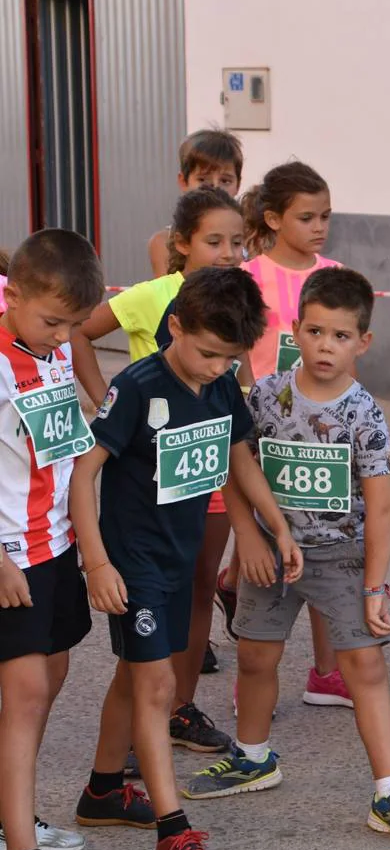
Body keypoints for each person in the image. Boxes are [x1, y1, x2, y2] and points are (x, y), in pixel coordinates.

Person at [183, 268, 390, 847]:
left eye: (342, 336)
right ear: (294, 329)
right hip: (268, 556)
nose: (327, 346)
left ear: (363, 343)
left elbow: (380, 509)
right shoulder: (266, 395)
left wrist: (375, 586)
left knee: (365, 669)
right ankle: (253, 758)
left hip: (340, 557)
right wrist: (247, 538)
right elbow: (236, 463)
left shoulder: (365, 414)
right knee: (254, 658)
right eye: (317, 332)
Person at [71, 267, 300, 850]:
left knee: (135, 674)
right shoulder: (138, 386)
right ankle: (173, 832)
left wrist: (275, 524)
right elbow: (84, 472)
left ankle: (101, 791)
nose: (217, 367)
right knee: (156, 683)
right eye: (206, 353)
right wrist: (96, 562)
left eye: (229, 358)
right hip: (135, 559)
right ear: (175, 326)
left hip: (179, 552)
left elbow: (238, 456)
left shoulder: (220, 383)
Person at [70, 188, 247, 759]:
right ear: (182, 244)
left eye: (236, 242)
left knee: (196, 589)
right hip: (145, 493)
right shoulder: (152, 300)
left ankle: (179, 709)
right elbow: (82, 335)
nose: (227, 252)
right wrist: (109, 408)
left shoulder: (234, 312)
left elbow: (239, 442)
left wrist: (262, 523)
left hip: (203, 478)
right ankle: (143, 758)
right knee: (145, 661)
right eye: (214, 240)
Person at [215, 161, 349, 709]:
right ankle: (254, 672)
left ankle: (325, 673)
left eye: (326, 216)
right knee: (265, 549)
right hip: (264, 429)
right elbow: (242, 349)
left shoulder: (334, 271)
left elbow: (344, 351)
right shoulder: (252, 277)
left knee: (318, 548)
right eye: (307, 217)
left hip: (318, 433)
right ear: (273, 218)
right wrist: (251, 397)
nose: (319, 226)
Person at [0, 230, 103, 850]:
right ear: (12, 294)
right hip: (12, 553)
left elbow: (66, 445)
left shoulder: (55, 347)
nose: (63, 337)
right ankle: (21, 846)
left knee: (54, 672)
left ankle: (13, 809)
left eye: (72, 325)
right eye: (52, 322)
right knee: (27, 689)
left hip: (58, 543)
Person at [148, 129, 244, 278]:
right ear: (183, 181)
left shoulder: (253, 240)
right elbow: (165, 296)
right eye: (203, 180)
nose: (215, 187)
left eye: (225, 181)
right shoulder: (163, 242)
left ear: (238, 184)